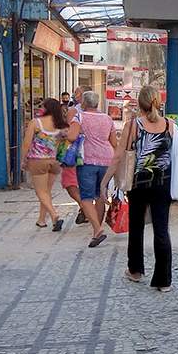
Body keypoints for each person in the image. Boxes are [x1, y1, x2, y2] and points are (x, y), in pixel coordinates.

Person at [101, 86, 173, 292]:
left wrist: (105, 182)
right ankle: (164, 281)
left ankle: (135, 270)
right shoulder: (169, 125)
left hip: (138, 184)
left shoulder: (132, 126)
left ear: (138, 103)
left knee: (136, 226)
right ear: (157, 102)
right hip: (162, 183)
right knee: (161, 229)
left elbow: (118, 156)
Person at [66, 91, 117, 248]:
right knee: (101, 195)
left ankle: (97, 228)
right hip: (106, 160)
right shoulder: (108, 119)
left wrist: (68, 134)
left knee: (86, 197)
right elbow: (113, 141)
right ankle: (97, 229)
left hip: (87, 160)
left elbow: (72, 137)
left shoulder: (79, 117)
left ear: (84, 104)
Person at [20, 98, 67, 231]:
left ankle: (54, 215)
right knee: (47, 191)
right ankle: (41, 220)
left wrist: (22, 160)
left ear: (45, 108)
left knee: (40, 191)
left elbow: (26, 143)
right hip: (54, 162)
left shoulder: (36, 122)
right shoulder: (61, 125)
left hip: (38, 160)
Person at [65, 85, 91, 225]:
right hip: (92, 152)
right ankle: (86, 210)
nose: (74, 94)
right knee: (87, 183)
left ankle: (85, 208)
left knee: (69, 182)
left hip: (75, 152)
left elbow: (71, 133)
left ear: (84, 96)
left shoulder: (73, 111)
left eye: (77, 92)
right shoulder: (99, 112)